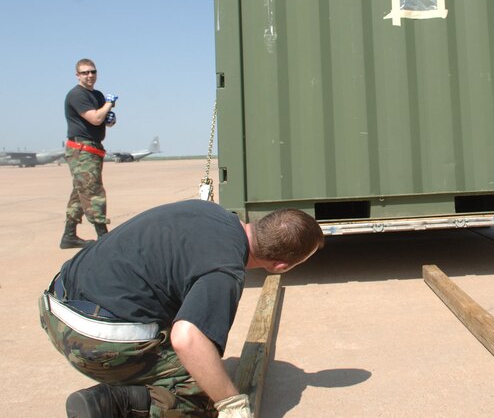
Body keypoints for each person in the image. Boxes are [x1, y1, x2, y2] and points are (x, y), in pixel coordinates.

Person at [39, 199, 324, 418]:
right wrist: (231, 403)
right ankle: (120, 403)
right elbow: (186, 338)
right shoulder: (224, 272)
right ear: (280, 266)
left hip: (55, 305)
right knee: (205, 387)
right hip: (93, 340)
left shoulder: (207, 210)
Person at [61, 58, 118, 249]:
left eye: (92, 71)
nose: (90, 75)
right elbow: (95, 119)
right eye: (85, 73)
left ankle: (69, 236)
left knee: (80, 192)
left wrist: (110, 117)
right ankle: (104, 238)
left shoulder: (98, 95)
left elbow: (105, 121)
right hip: (82, 151)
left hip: (92, 149)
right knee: (93, 192)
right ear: (77, 75)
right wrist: (109, 105)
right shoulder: (77, 95)